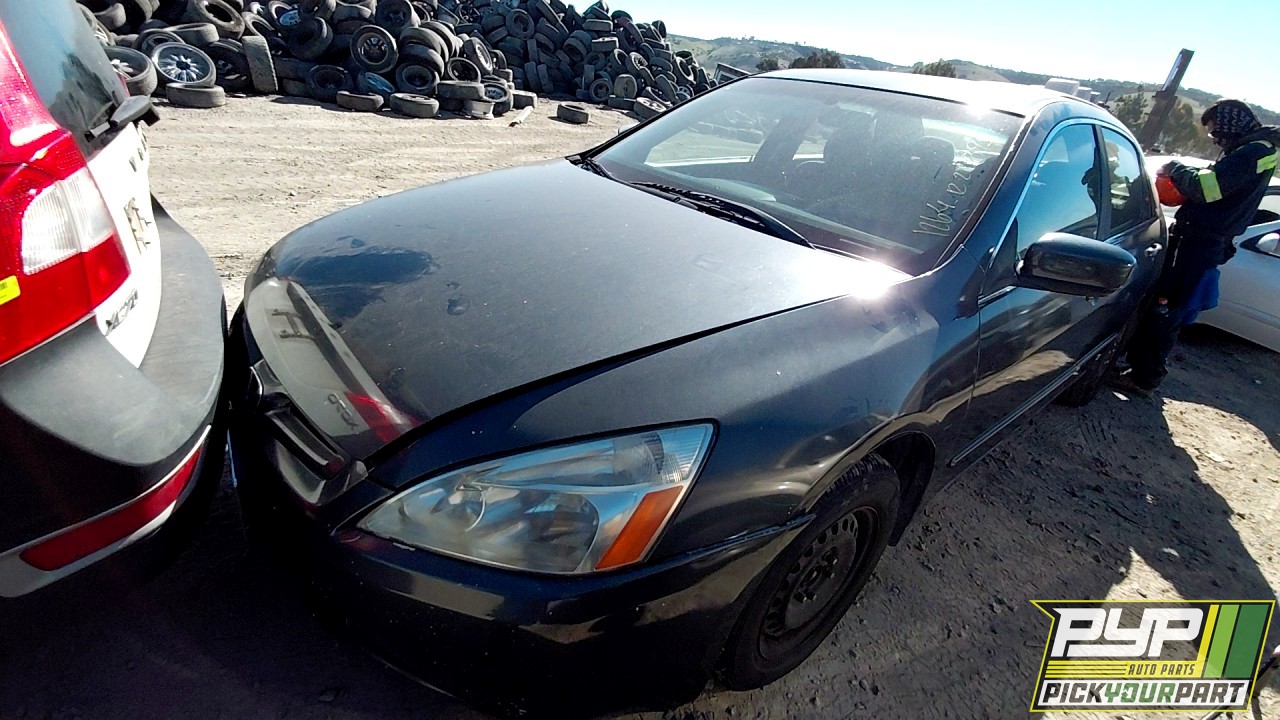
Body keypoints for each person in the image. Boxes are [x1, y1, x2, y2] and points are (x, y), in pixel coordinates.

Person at [1112, 99, 1279, 394]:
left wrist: (1176, 169)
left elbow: (1208, 188)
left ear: (1231, 124)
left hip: (1199, 243)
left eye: (1216, 131)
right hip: (1203, 241)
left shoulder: (1251, 152)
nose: (1215, 139)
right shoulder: (1257, 150)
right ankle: (1139, 367)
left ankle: (1144, 377)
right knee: (1165, 305)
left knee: (1166, 308)